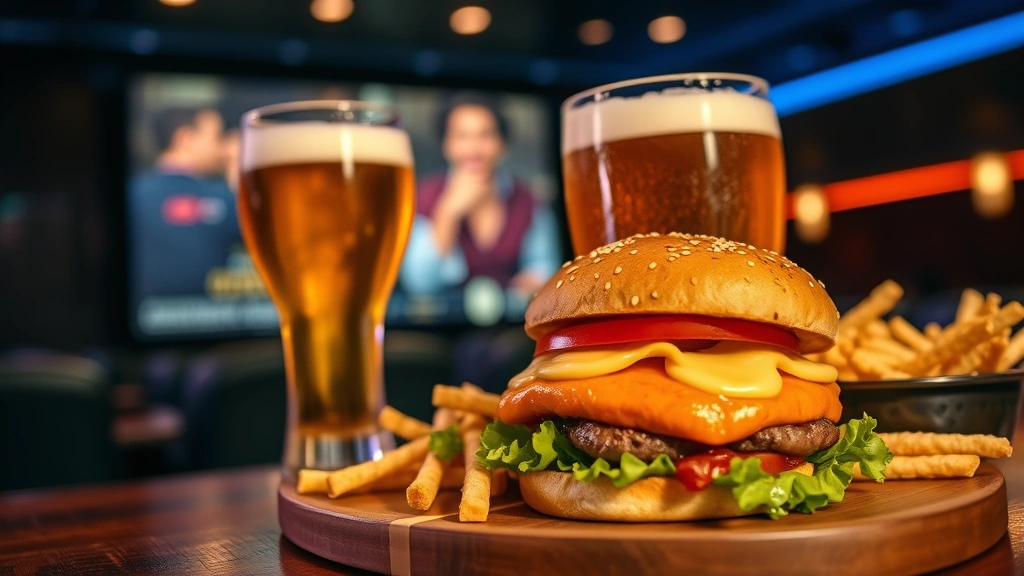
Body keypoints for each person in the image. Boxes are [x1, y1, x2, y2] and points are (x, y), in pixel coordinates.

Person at [400, 94, 561, 299]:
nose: (474, 149)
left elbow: (545, 265)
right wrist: (448, 212)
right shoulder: (423, 196)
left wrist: (533, 281)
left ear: (502, 144)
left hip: (510, 323)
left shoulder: (529, 200)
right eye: (461, 136)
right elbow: (418, 283)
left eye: (485, 135)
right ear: (446, 145)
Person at [129, 107, 240, 299]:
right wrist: (241, 169)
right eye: (217, 137)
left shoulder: (134, 193)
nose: (223, 150)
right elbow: (259, 238)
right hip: (212, 321)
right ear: (185, 138)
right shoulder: (221, 196)